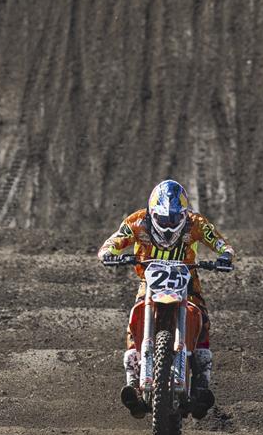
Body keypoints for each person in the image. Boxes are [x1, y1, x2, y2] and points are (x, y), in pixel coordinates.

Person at [98, 179, 235, 417]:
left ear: (183, 214)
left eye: (173, 219)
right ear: (152, 214)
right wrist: (109, 253)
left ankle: (202, 382)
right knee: (135, 318)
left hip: (187, 283)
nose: (168, 224)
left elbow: (222, 244)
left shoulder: (196, 223)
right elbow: (113, 241)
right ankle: (132, 381)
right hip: (149, 283)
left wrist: (224, 256)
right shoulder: (137, 221)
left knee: (202, 319)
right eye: (163, 219)